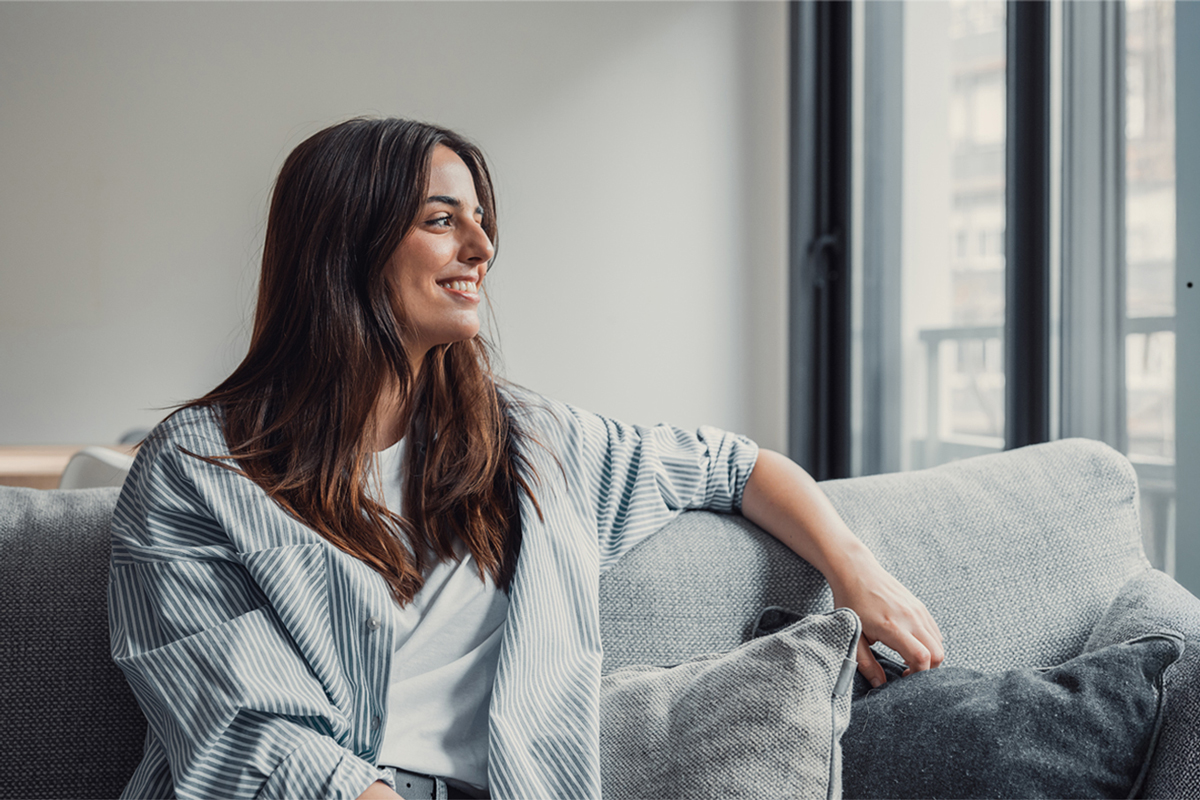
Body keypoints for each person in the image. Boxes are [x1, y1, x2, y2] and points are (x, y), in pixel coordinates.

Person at [108, 117, 943, 800]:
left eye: (481, 220)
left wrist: (855, 571)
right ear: (342, 246)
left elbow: (733, 464)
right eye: (442, 220)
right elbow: (248, 737)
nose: (482, 247)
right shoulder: (197, 470)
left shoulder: (534, 443)